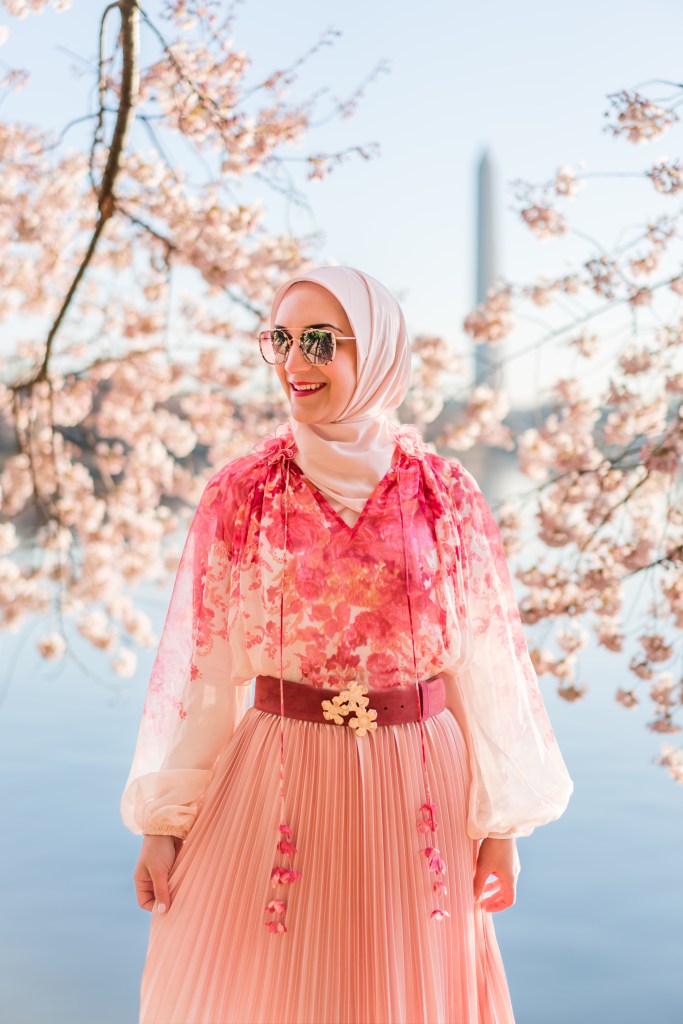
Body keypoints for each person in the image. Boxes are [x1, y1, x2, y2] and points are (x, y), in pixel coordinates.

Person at [120, 265, 574, 1024]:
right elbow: (208, 673)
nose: (296, 363)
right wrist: (164, 826)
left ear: (381, 354)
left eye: (321, 342)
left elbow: (476, 667)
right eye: (282, 339)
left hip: (415, 789)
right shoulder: (241, 493)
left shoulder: (445, 494)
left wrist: (499, 830)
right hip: (275, 785)